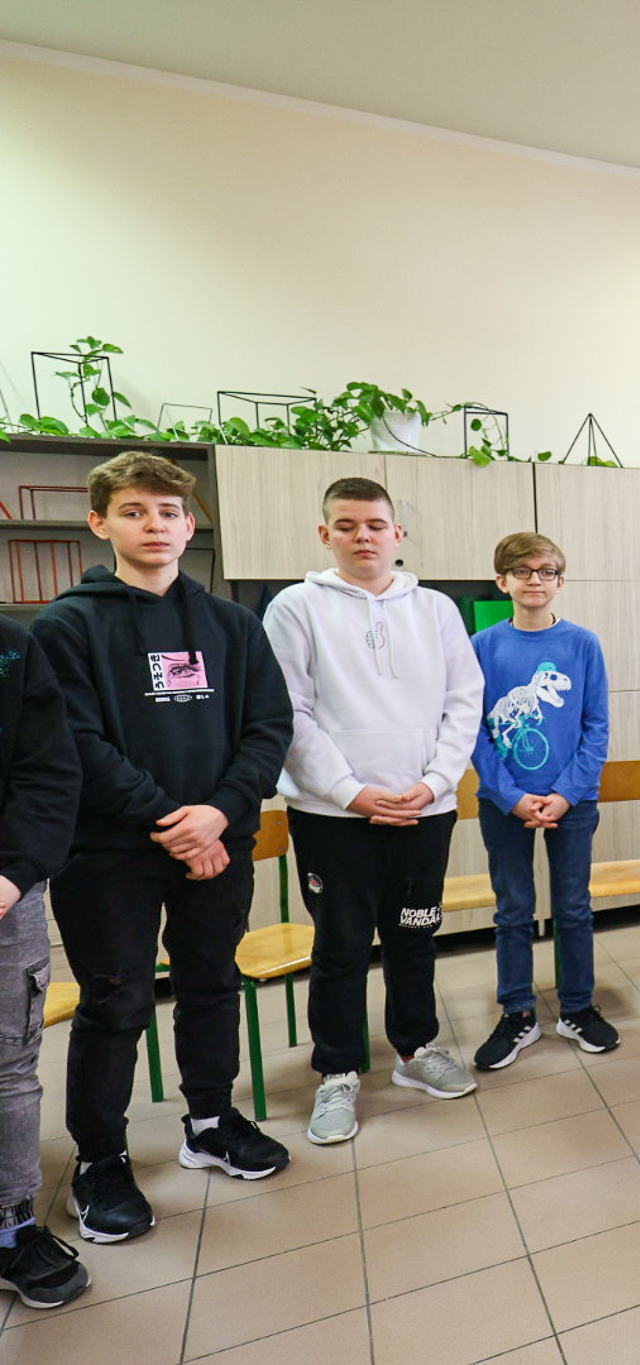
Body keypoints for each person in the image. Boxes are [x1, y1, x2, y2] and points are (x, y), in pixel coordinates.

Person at [32, 452, 294, 1245]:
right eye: (135, 510)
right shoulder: (66, 626)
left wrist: (217, 814)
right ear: (99, 522)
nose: (155, 524)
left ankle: (210, 1121)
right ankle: (101, 1158)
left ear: (189, 525)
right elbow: (76, 742)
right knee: (116, 1001)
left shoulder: (232, 626)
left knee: (212, 983)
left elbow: (268, 728)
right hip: (109, 853)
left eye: (170, 512)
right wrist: (173, 820)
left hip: (218, 841)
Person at [264, 477, 485, 1146]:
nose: (363, 536)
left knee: (415, 934)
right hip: (334, 816)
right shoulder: (295, 607)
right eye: (347, 524)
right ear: (325, 534)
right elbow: (289, 711)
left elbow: (464, 700)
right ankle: (337, 1071)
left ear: (397, 534)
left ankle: (416, 1049)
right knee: (341, 946)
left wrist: (437, 780)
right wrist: (348, 791)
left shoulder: (436, 609)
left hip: (425, 808)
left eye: (375, 524)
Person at [469, 532, 615, 1069]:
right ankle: (518, 1013)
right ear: (502, 581)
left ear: (560, 581)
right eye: (523, 571)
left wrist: (565, 794)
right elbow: (472, 731)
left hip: (572, 803)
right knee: (513, 910)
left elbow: (596, 728)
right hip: (503, 804)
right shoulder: (481, 647)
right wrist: (510, 796)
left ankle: (577, 1008)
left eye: (547, 571)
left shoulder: (583, 644)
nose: (536, 580)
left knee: (574, 908)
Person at [0, 616, 91, 1307]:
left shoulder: (11, 646)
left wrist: (12, 874)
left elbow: (48, 770)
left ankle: (12, 1229)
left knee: (8, 1066)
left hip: (4, 890)